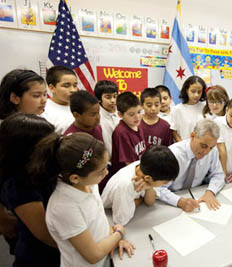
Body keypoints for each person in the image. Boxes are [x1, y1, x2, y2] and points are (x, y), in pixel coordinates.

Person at [29, 132, 134, 266]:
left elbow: (98, 217)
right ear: (75, 178)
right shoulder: (64, 208)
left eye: (106, 166)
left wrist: (112, 236)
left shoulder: (89, 183)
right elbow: (93, 255)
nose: (106, 173)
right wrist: (119, 232)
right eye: (100, 171)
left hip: (106, 257)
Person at [0, 113, 59, 266]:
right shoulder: (18, 184)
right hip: (40, 256)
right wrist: (86, 246)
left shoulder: (43, 164)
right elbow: (45, 235)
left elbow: (84, 162)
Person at [102, 145, 179, 225]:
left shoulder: (146, 168)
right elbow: (121, 221)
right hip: (107, 215)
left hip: (126, 209)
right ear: (148, 178)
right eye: (164, 182)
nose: (166, 184)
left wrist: (149, 188)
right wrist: (140, 199)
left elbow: (150, 203)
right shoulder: (126, 184)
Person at [159, 119, 225, 212]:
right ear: (192, 136)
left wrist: (211, 192)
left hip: (196, 195)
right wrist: (180, 201)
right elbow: (157, 188)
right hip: (171, 201)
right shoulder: (173, 154)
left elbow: (219, 174)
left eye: (211, 147)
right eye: (203, 146)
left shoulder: (212, 151)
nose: (206, 152)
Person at [108, 92, 146, 182]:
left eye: (139, 112)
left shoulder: (138, 124)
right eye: (131, 114)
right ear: (120, 115)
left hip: (139, 169)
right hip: (127, 177)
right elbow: (129, 164)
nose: (137, 117)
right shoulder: (121, 133)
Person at [42, 66, 78, 134]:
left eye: (75, 85)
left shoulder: (81, 105)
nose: (73, 90)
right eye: (66, 86)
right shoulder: (43, 111)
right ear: (52, 88)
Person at [170, 76, 206, 142]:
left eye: (199, 92)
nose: (196, 95)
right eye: (193, 91)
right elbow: (174, 132)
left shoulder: (205, 106)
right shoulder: (177, 109)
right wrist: (183, 146)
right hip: (184, 147)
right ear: (187, 90)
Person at [94, 80, 120, 156]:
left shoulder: (122, 111)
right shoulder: (96, 117)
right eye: (108, 97)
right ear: (99, 99)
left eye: (115, 96)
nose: (113, 100)